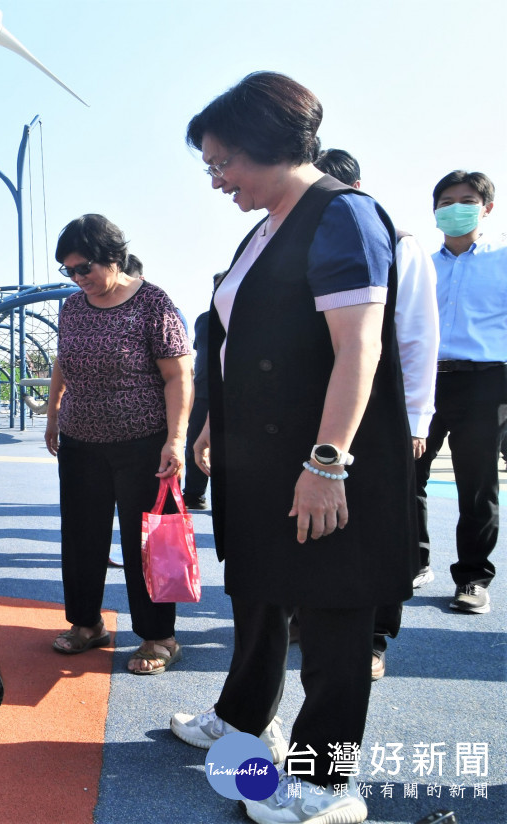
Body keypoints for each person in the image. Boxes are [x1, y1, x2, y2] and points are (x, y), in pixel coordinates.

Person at [168, 72, 414, 824]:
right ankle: (246, 719)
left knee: (334, 612)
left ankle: (326, 779)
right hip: (259, 458)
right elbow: (241, 339)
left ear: (269, 147)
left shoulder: (344, 217)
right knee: (259, 589)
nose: (217, 181)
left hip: (318, 462)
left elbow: (358, 351)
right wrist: (217, 421)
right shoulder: (267, 223)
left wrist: (325, 463)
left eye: (223, 164)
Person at [44, 215, 193, 674]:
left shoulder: (152, 302)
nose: (78, 278)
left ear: (113, 257)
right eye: (68, 270)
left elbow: (178, 375)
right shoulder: (72, 307)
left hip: (143, 443)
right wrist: (53, 414)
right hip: (81, 441)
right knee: (82, 536)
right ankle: (86, 625)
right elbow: (63, 363)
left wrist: (176, 440)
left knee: (147, 541)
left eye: (84, 267)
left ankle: (158, 636)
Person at [312, 148, 440, 680]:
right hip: (329, 407)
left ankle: (376, 638)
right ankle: (318, 619)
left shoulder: (397, 242)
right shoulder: (305, 238)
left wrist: (416, 421)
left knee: (384, 531)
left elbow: (415, 339)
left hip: (385, 413)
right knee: (331, 524)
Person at [414, 170, 506, 615]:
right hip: (424, 380)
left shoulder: (503, 258)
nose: (454, 208)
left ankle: (472, 578)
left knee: (477, 485)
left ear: (486, 207)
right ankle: (413, 561)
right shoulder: (419, 265)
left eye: (466, 199)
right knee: (407, 476)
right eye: (445, 201)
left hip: (485, 381)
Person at [181, 309, 213, 510]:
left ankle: (195, 494)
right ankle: (194, 494)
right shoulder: (204, 319)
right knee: (195, 444)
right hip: (203, 391)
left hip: (228, 390)